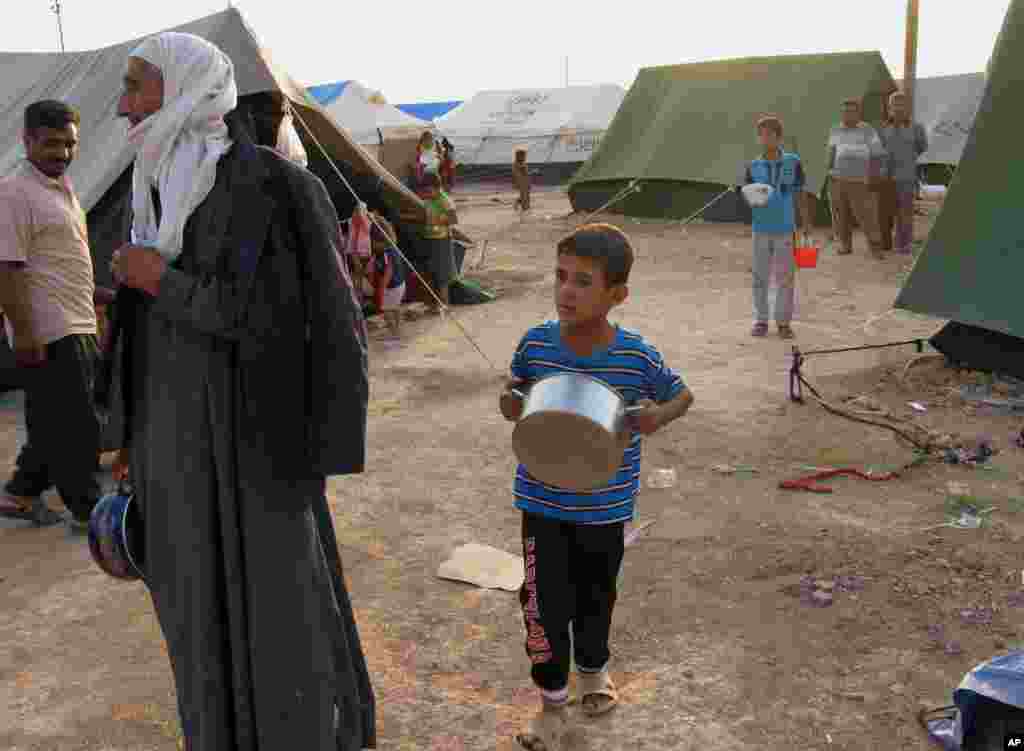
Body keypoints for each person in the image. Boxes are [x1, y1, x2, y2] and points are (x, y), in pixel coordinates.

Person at [99, 32, 374, 750]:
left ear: (188, 88)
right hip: (171, 451)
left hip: (257, 446)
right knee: (193, 612)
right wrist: (127, 433)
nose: (122, 107)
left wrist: (164, 282)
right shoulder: (149, 188)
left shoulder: (275, 188)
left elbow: (300, 326)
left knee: (279, 616)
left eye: (136, 86)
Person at [498, 223, 694, 751]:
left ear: (617, 295)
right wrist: (511, 402)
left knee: (595, 597)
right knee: (540, 602)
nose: (566, 290)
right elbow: (513, 395)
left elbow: (682, 395)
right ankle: (552, 702)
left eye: (583, 282)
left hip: (604, 507)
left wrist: (657, 416)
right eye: (561, 277)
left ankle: (592, 669)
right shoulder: (536, 343)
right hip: (541, 501)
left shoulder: (635, 356)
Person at [0, 100, 101, 530]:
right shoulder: (13, 192)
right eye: (51, 143)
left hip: (77, 321)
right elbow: (6, 267)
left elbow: (59, 260)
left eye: (69, 144)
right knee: (76, 426)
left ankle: (20, 493)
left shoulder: (61, 189)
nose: (62, 152)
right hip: (50, 330)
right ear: (27, 141)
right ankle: (88, 511)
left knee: (51, 421)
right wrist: (25, 333)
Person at [739, 115, 812, 340]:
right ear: (758, 137)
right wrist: (751, 197)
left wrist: (806, 222)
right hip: (761, 227)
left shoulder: (793, 162)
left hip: (785, 227)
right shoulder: (753, 166)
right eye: (762, 134)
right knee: (760, 276)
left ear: (780, 137)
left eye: (771, 134)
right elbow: (746, 195)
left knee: (786, 276)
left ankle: (783, 322)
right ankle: (761, 320)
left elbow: (800, 192)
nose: (766, 138)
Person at [825, 97, 888, 258]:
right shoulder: (835, 130)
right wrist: (829, 171)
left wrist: (874, 176)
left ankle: (875, 249)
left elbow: (877, 154)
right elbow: (832, 152)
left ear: (858, 113)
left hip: (861, 180)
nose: (848, 114)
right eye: (845, 111)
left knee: (867, 216)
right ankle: (845, 245)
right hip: (837, 179)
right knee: (840, 215)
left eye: (852, 111)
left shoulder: (868, 130)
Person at [878, 91, 928, 255]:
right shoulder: (883, 127)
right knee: (885, 212)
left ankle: (904, 244)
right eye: (895, 104)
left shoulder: (917, 128)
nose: (898, 108)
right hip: (886, 177)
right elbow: (877, 150)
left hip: (906, 176)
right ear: (889, 108)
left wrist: (907, 159)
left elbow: (921, 147)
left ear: (907, 108)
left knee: (905, 212)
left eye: (902, 104)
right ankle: (885, 244)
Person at [419, 170, 458, 312]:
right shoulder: (429, 200)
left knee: (442, 274)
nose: (427, 194)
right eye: (425, 192)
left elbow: (454, 219)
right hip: (430, 238)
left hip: (441, 240)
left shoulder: (445, 200)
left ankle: (445, 304)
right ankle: (435, 304)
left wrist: (436, 220)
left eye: (429, 191)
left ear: (437, 187)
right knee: (433, 272)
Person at [366, 215, 406, 338]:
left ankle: (393, 332)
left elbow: (387, 274)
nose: (371, 246)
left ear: (379, 241)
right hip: (400, 284)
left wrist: (380, 293)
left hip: (392, 287)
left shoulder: (385, 254)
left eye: (372, 242)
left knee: (386, 311)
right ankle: (398, 329)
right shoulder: (393, 247)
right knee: (396, 307)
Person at [513, 148, 531, 212]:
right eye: (523, 155)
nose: (525, 157)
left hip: (524, 181)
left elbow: (525, 173)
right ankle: (525, 208)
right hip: (522, 181)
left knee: (525, 195)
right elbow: (521, 173)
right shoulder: (517, 164)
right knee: (524, 195)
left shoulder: (521, 163)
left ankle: (520, 205)